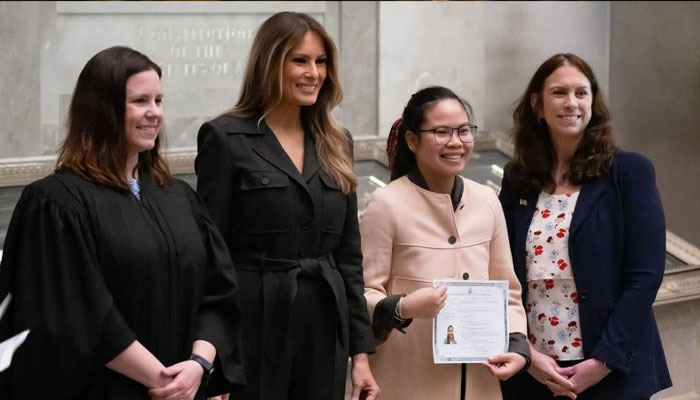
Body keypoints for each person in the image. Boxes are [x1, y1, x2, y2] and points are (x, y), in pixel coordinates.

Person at [0, 46, 245, 399]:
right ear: (101, 108)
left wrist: (198, 366)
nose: (155, 113)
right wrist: (165, 381)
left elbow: (219, 291)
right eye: (140, 101)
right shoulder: (56, 203)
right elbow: (80, 314)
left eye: (159, 100)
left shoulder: (178, 197)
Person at [194, 12, 379, 400]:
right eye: (300, 60)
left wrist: (361, 353)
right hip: (254, 326)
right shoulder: (225, 138)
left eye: (321, 61)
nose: (314, 72)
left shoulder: (336, 140)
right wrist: (215, 363)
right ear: (269, 63)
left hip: (325, 328)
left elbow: (349, 256)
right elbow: (212, 257)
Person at [498, 53, 672, 400]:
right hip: (535, 370)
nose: (571, 103)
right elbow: (502, 272)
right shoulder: (518, 179)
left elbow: (646, 275)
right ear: (537, 104)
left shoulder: (629, 172)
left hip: (609, 368)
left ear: (593, 101)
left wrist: (603, 361)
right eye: (559, 93)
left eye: (581, 92)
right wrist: (527, 354)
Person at [361, 86, 530, 400]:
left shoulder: (487, 200)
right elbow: (362, 292)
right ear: (412, 140)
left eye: (464, 131)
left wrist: (518, 346)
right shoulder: (385, 204)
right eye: (441, 132)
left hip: (480, 382)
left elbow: (508, 289)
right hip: (408, 383)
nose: (456, 142)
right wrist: (403, 306)